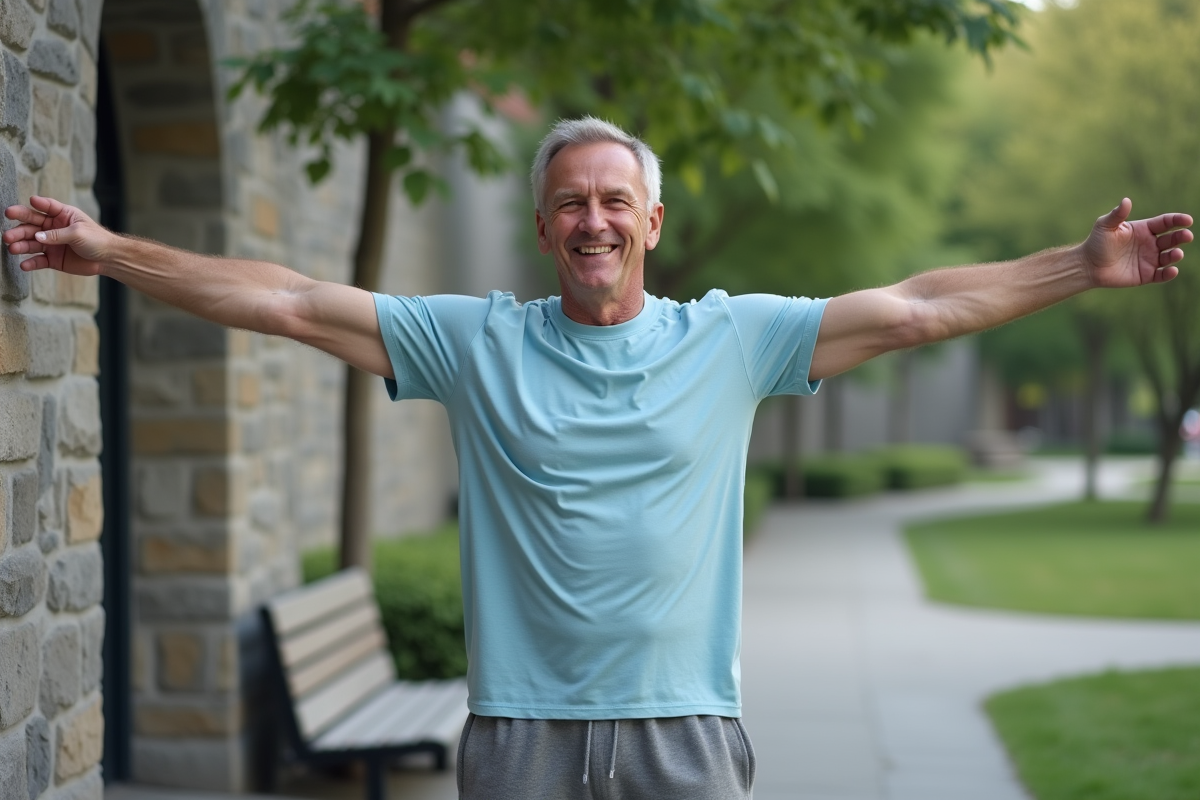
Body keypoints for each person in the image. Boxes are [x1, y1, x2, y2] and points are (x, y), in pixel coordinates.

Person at [4, 117, 1192, 799]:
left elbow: (918, 307)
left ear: (652, 222)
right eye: (571, 201)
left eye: (616, 199)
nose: (594, 220)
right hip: (521, 733)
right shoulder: (476, 343)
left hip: (685, 730)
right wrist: (111, 252)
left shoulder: (733, 339)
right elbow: (290, 300)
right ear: (542, 227)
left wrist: (1075, 267)